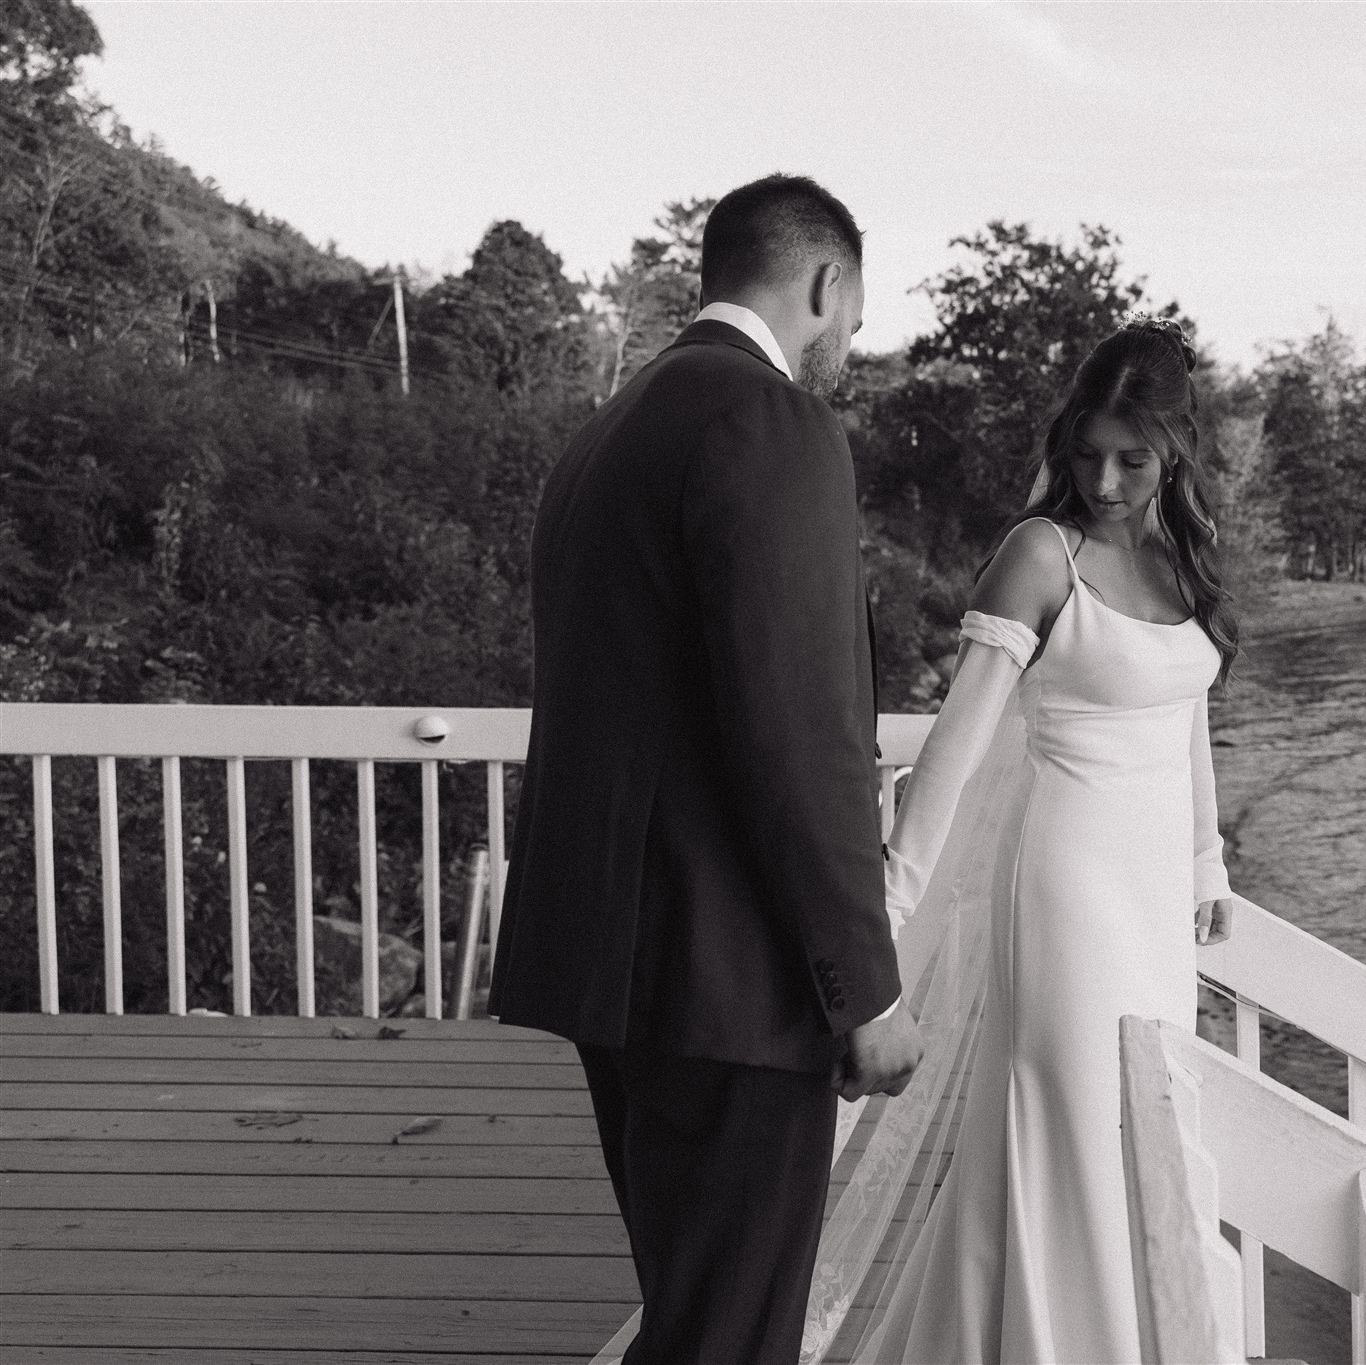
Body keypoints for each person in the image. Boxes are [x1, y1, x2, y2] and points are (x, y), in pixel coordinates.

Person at [489, 173, 923, 1365]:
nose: (847, 339)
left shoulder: (609, 430)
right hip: (725, 980)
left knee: (693, 1318)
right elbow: (799, 731)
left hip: (616, 968)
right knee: (731, 1336)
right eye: (852, 310)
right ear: (824, 283)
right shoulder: (769, 423)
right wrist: (865, 987)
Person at [812, 318, 1240, 1363]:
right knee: (1069, 1132)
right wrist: (891, 910)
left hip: (1149, 904)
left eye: (1131, 459)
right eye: (1087, 452)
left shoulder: (1181, 556)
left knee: (1141, 1127)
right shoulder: (1039, 552)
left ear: (1174, 451)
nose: (1103, 478)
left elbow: (1183, 716)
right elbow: (955, 748)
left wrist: (1204, 860)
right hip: (1062, 888)